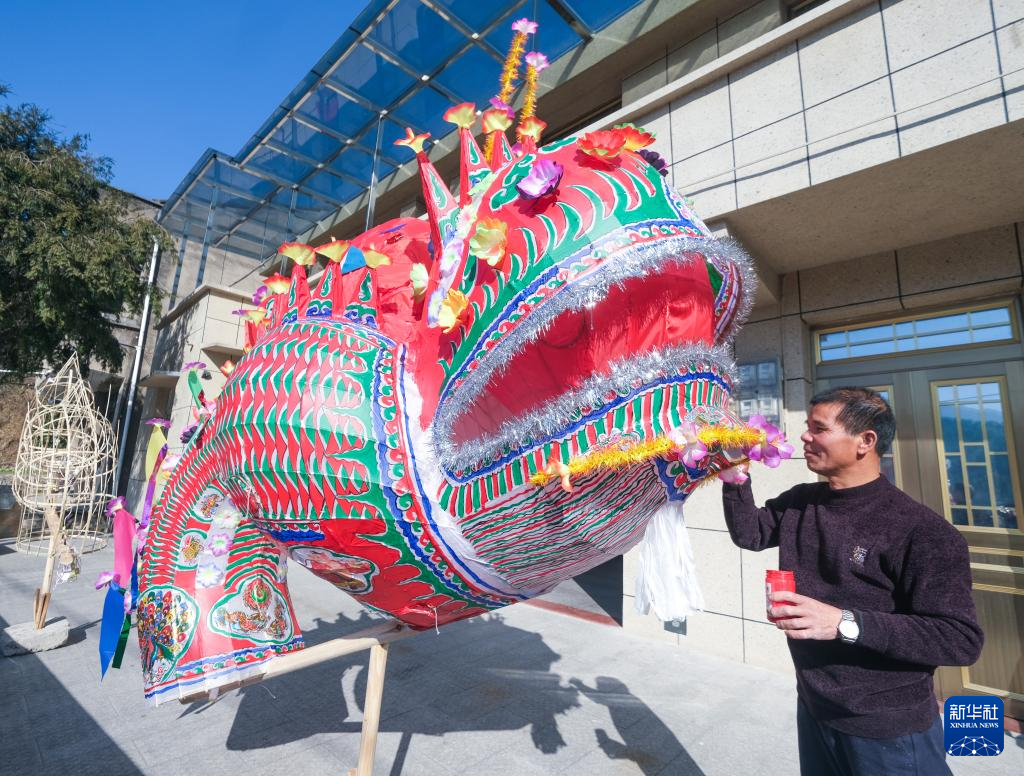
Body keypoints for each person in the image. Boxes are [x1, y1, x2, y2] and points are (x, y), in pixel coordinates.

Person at [721, 387, 983, 775]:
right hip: (815, 706)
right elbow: (751, 534)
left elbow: (959, 640)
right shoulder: (801, 501)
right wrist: (734, 476)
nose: (805, 437)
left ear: (865, 441)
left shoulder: (922, 531)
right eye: (807, 427)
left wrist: (843, 622)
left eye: (818, 428)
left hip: (889, 728)